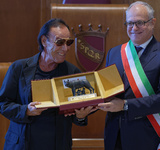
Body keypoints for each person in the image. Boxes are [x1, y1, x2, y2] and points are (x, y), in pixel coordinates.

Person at [0, 18, 97, 150]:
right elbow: (3, 104)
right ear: (44, 41)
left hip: (57, 144)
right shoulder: (19, 68)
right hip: (22, 144)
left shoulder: (73, 72)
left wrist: (80, 116)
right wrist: (26, 110)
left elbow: (78, 111)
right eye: (60, 42)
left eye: (68, 42)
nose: (65, 48)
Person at [98, 1, 160, 150]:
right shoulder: (114, 52)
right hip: (114, 134)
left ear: (153, 22)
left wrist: (125, 105)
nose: (134, 28)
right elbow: (108, 91)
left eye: (140, 23)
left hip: (145, 136)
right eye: (130, 23)